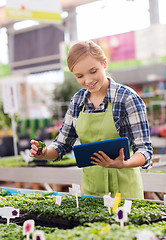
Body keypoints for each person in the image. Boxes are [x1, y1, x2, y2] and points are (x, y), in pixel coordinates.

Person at [30, 40, 153, 199]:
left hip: (125, 192)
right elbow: (61, 145)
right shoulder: (77, 102)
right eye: (79, 76)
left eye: (93, 71)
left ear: (104, 64)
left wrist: (124, 163)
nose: (88, 81)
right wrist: (45, 153)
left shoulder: (127, 98)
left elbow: (144, 150)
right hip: (91, 192)